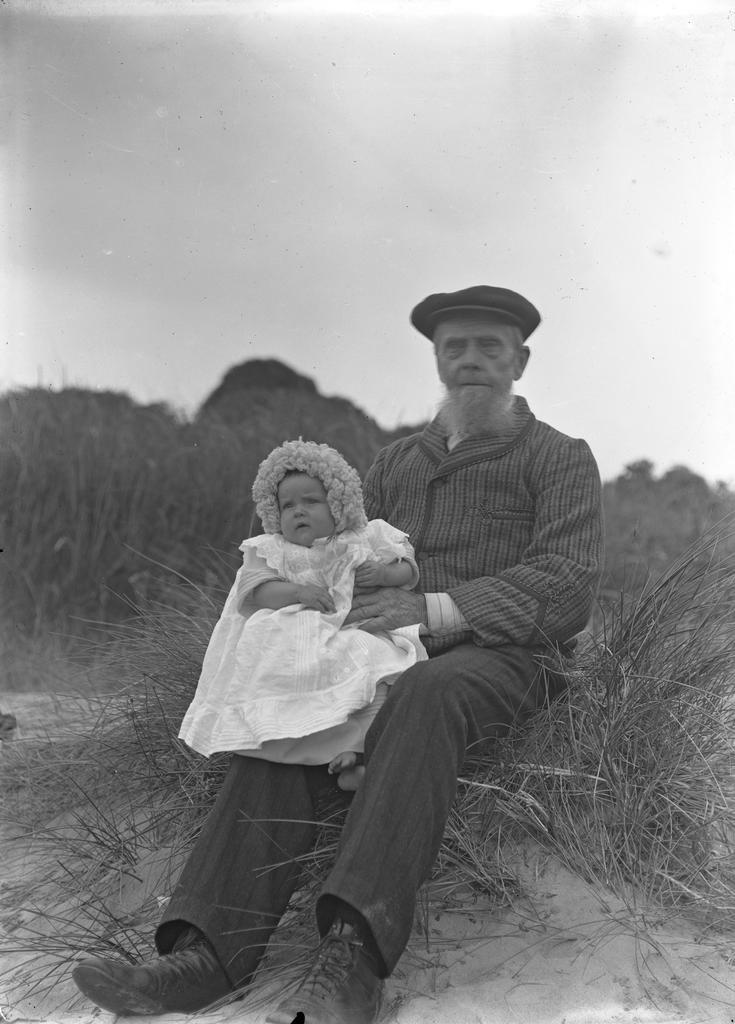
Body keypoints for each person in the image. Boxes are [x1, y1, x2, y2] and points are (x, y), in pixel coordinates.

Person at [71, 284, 604, 1024]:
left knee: (430, 692)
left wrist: (435, 607)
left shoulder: (558, 458)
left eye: (489, 346)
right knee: (297, 704)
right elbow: (338, 550)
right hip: (382, 644)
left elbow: (564, 586)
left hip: (504, 653)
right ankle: (201, 957)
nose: (472, 360)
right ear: (437, 358)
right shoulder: (392, 463)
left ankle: (352, 957)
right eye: (457, 347)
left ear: (520, 358)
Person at [178, 438, 426, 791]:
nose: (298, 511)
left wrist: (386, 574)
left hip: (353, 631)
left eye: (311, 501)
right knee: (283, 678)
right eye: (287, 505)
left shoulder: (363, 537)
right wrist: (297, 592)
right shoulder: (274, 550)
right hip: (293, 638)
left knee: (376, 677)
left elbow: (407, 567)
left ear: (339, 504)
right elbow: (257, 591)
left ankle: (359, 752)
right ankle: (298, 738)